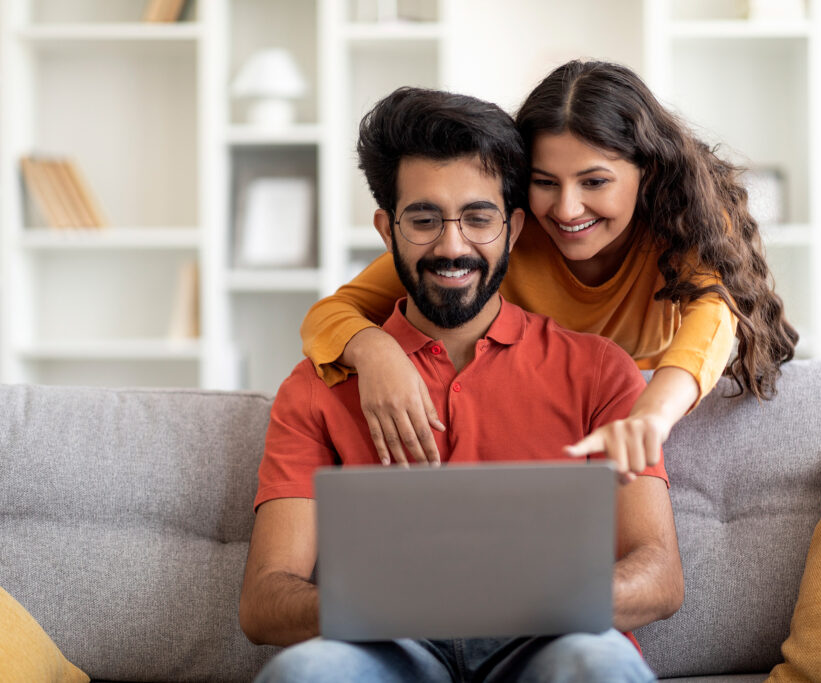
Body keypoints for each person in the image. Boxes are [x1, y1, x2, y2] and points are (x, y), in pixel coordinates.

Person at [239, 86, 685, 682]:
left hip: (550, 641)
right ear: (386, 228)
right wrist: (396, 607)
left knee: (596, 663)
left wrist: (522, 597)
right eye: (423, 219)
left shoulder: (599, 371)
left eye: (478, 218)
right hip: (387, 646)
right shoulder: (319, 386)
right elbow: (264, 602)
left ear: (515, 226)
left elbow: (660, 577)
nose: (452, 246)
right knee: (306, 675)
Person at [300, 60, 798, 477]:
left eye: (594, 182)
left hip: (629, 405)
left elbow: (714, 315)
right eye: (545, 182)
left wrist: (650, 416)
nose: (566, 209)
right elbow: (333, 312)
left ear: (647, 173)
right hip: (532, 414)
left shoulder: (682, 223)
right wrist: (376, 352)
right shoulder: (499, 234)